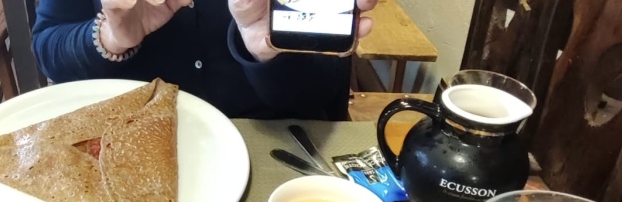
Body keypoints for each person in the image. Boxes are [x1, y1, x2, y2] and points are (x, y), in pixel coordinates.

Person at [32, 0, 378, 121]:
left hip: (268, 143)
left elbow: (320, 97)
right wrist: (111, 38)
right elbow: (49, 49)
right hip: (126, 143)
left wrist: (265, 53)